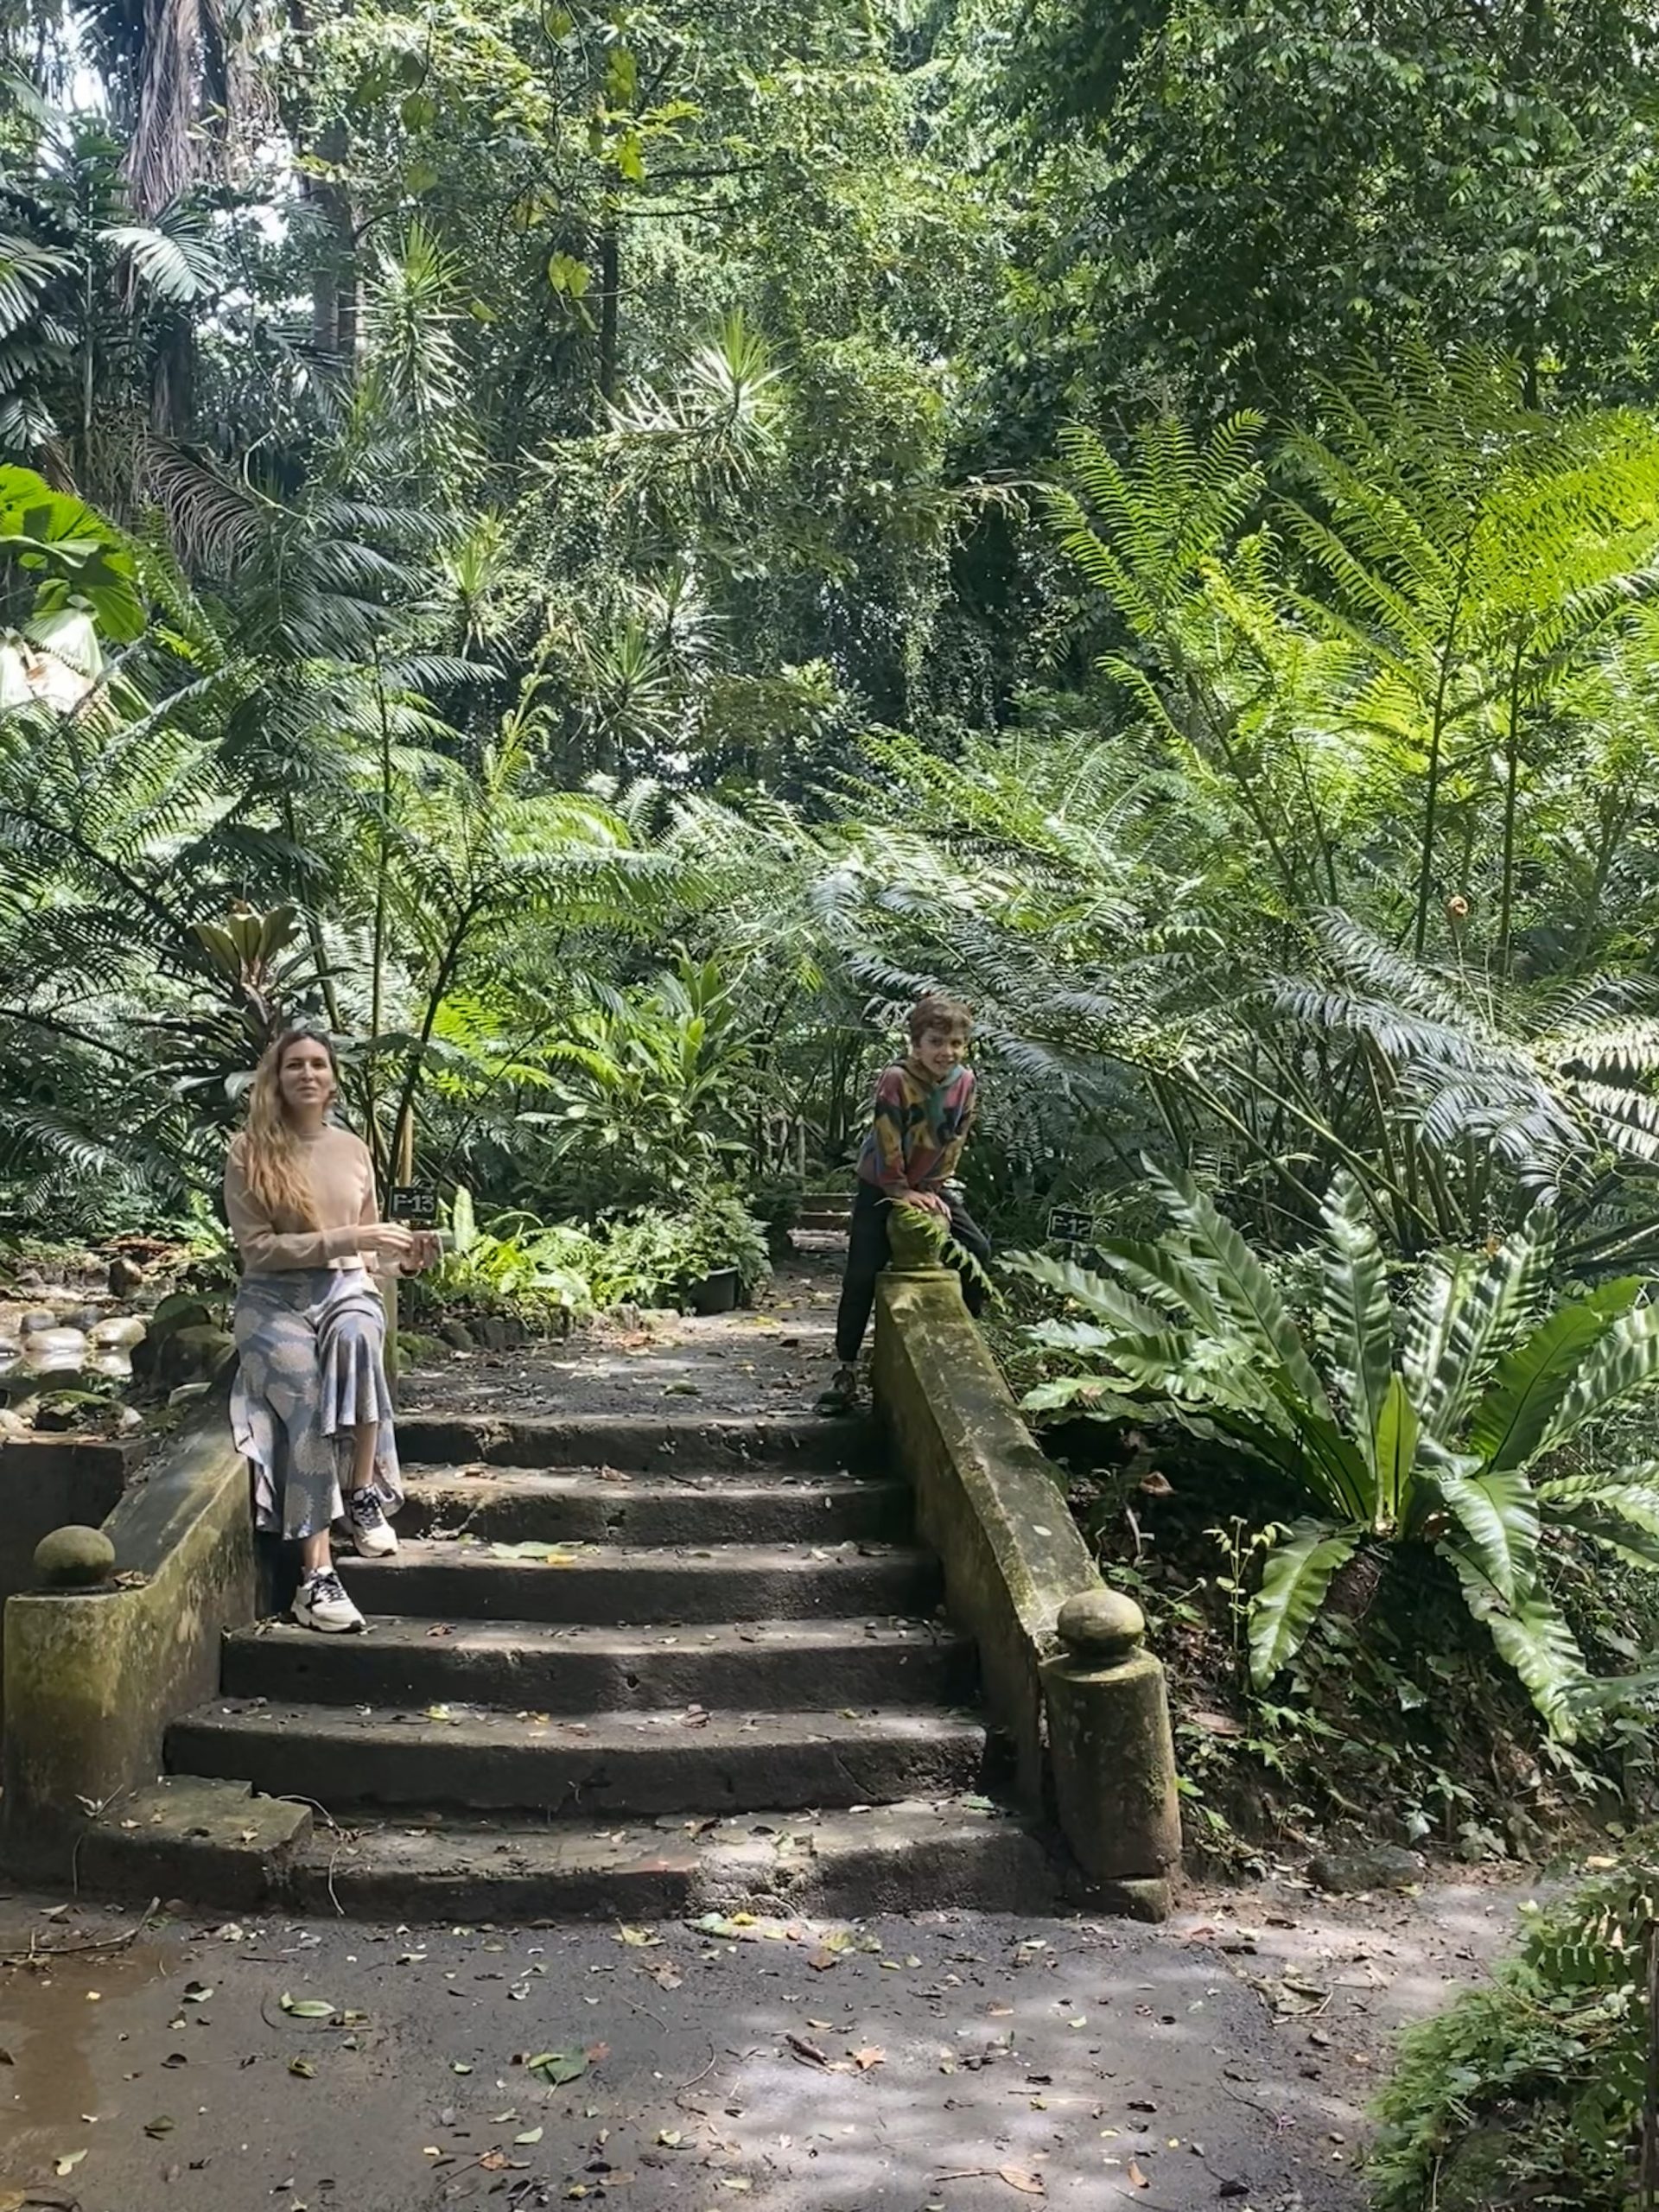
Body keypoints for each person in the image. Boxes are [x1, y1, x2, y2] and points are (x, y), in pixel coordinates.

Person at [223, 1027, 435, 1633]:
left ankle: (362, 1490)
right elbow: (258, 1250)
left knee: (360, 1334)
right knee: (308, 1406)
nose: (308, 1074)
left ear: (332, 1077)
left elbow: (370, 1258)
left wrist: (406, 1259)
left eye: (318, 1063)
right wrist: (354, 1240)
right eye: (295, 1065)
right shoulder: (249, 1150)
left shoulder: (353, 1147)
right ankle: (315, 1577)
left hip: (347, 1290)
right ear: (278, 1077)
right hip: (273, 1301)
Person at [820, 995, 990, 1412]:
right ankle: (845, 1370)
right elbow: (886, 1136)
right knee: (862, 1274)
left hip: (931, 1183)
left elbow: (956, 1139)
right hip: (881, 1183)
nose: (946, 1052)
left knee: (978, 1251)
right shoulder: (896, 1078)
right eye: (936, 1042)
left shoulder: (965, 1082)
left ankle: (964, 1342)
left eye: (955, 1043)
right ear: (916, 1043)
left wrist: (933, 1187)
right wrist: (898, 1190)